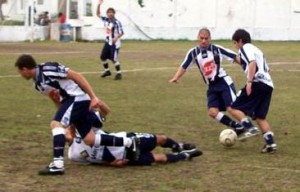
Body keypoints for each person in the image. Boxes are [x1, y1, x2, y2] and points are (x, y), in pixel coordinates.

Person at [15, 54, 141, 175]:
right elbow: (62, 106)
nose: (20, 75)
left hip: (78, 97)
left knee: (55, 124)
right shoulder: (38, 85)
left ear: (24, 69)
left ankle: (58, 164)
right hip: (72, 102)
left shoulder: (48, 69)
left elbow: (77, 76)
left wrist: (93, 97)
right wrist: (63, 114)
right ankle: (129, 142)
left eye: (19, 71)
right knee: (89, 139)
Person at [169, 28, 244, 136]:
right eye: (201, 38)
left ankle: (249, 126)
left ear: (210, 39)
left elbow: (234, 56)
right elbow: (184, 66)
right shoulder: (193, 52)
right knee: (212, 112)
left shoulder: (216, 49)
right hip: (212, 86)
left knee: (232, 108)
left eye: (206, 38)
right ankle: (236, 126)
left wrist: (247, 66)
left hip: (222, 82)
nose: (203, 41)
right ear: (198, 38)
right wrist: (176, 77)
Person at [228, 29, 277, 153]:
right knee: (260, 117)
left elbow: (252, 63)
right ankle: (271, 144)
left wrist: (249, 82)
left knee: (233, 108)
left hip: (257, 83)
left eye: (235, 43)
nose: (236, 46)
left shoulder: (245, 48)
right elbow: (265, 68)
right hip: (268, 85)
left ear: (240, 40)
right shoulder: (256, 49)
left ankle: (250, 128)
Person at [66, 126, 202, 166]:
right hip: (124, 156)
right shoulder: (73, 155)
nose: (65, 134)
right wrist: (111, 164)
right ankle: (186, 155)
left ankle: (178, 146)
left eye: (64, 131)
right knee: (158, 158)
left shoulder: (82, 129)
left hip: (128, 139)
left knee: (160, 139)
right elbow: (93, 163)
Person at [97, 0, 124, 80]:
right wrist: (99, 4)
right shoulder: (106, 20)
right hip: (107, 42)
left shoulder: (117, 22)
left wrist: (115, 38)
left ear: (114, 13)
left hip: (115, 43)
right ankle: (107, 71)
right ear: (107, 14)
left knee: (113, 59)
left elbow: (121, 32)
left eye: (111, 12)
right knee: (102, 57)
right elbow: (98, 14)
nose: (110, 13)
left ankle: (119, 74)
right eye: (108, 12)